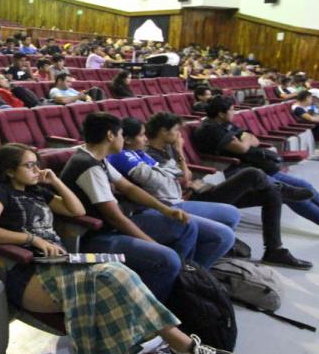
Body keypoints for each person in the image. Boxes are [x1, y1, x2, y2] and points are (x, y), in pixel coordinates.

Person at [0, 143, 239, 354]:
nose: (36, 170)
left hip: (61, 263)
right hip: (28, 272)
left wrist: (55, 182)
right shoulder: (0, 193)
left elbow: (76, 211)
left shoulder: (37, 194)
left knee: (118, 274)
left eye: (37, 164)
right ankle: (184, 347)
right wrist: (32, 239)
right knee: (112, 276)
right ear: (10, 171)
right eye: (29, 165)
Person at [116, 115, 315, 269]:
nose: (179, 136)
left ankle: (275, 248)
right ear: (162, 131)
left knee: (270, 195)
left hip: (197, 189)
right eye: (176, 131)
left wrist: (181, 169)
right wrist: (179, 152)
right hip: (188, 197)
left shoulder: (158, 151)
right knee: (252, 174)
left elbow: (182, 176)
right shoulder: (148, 153)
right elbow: (182, 179)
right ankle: (282, 191)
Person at [193, 96, 319, 247]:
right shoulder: (210, 129)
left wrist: (244, 138)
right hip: (237, 175)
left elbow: (250, 137)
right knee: (298, 190)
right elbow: (244, 147)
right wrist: (244, 140)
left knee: (298, 191)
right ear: (221, 113)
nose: (234, 113)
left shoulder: (225, 124)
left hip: (252, 168)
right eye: (231, 110)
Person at [61, 112, 223, 301]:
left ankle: (180, 286)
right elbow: (114, 217)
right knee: (167, 258)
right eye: (121, 134)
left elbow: (128, 188)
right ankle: (150, 306)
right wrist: (151, 243)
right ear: (110, 136)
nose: (123, 139)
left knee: (185, 226)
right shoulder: (89, 167)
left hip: (115, 225)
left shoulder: (97, 157)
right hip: (96, 236)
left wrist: (165, 209)